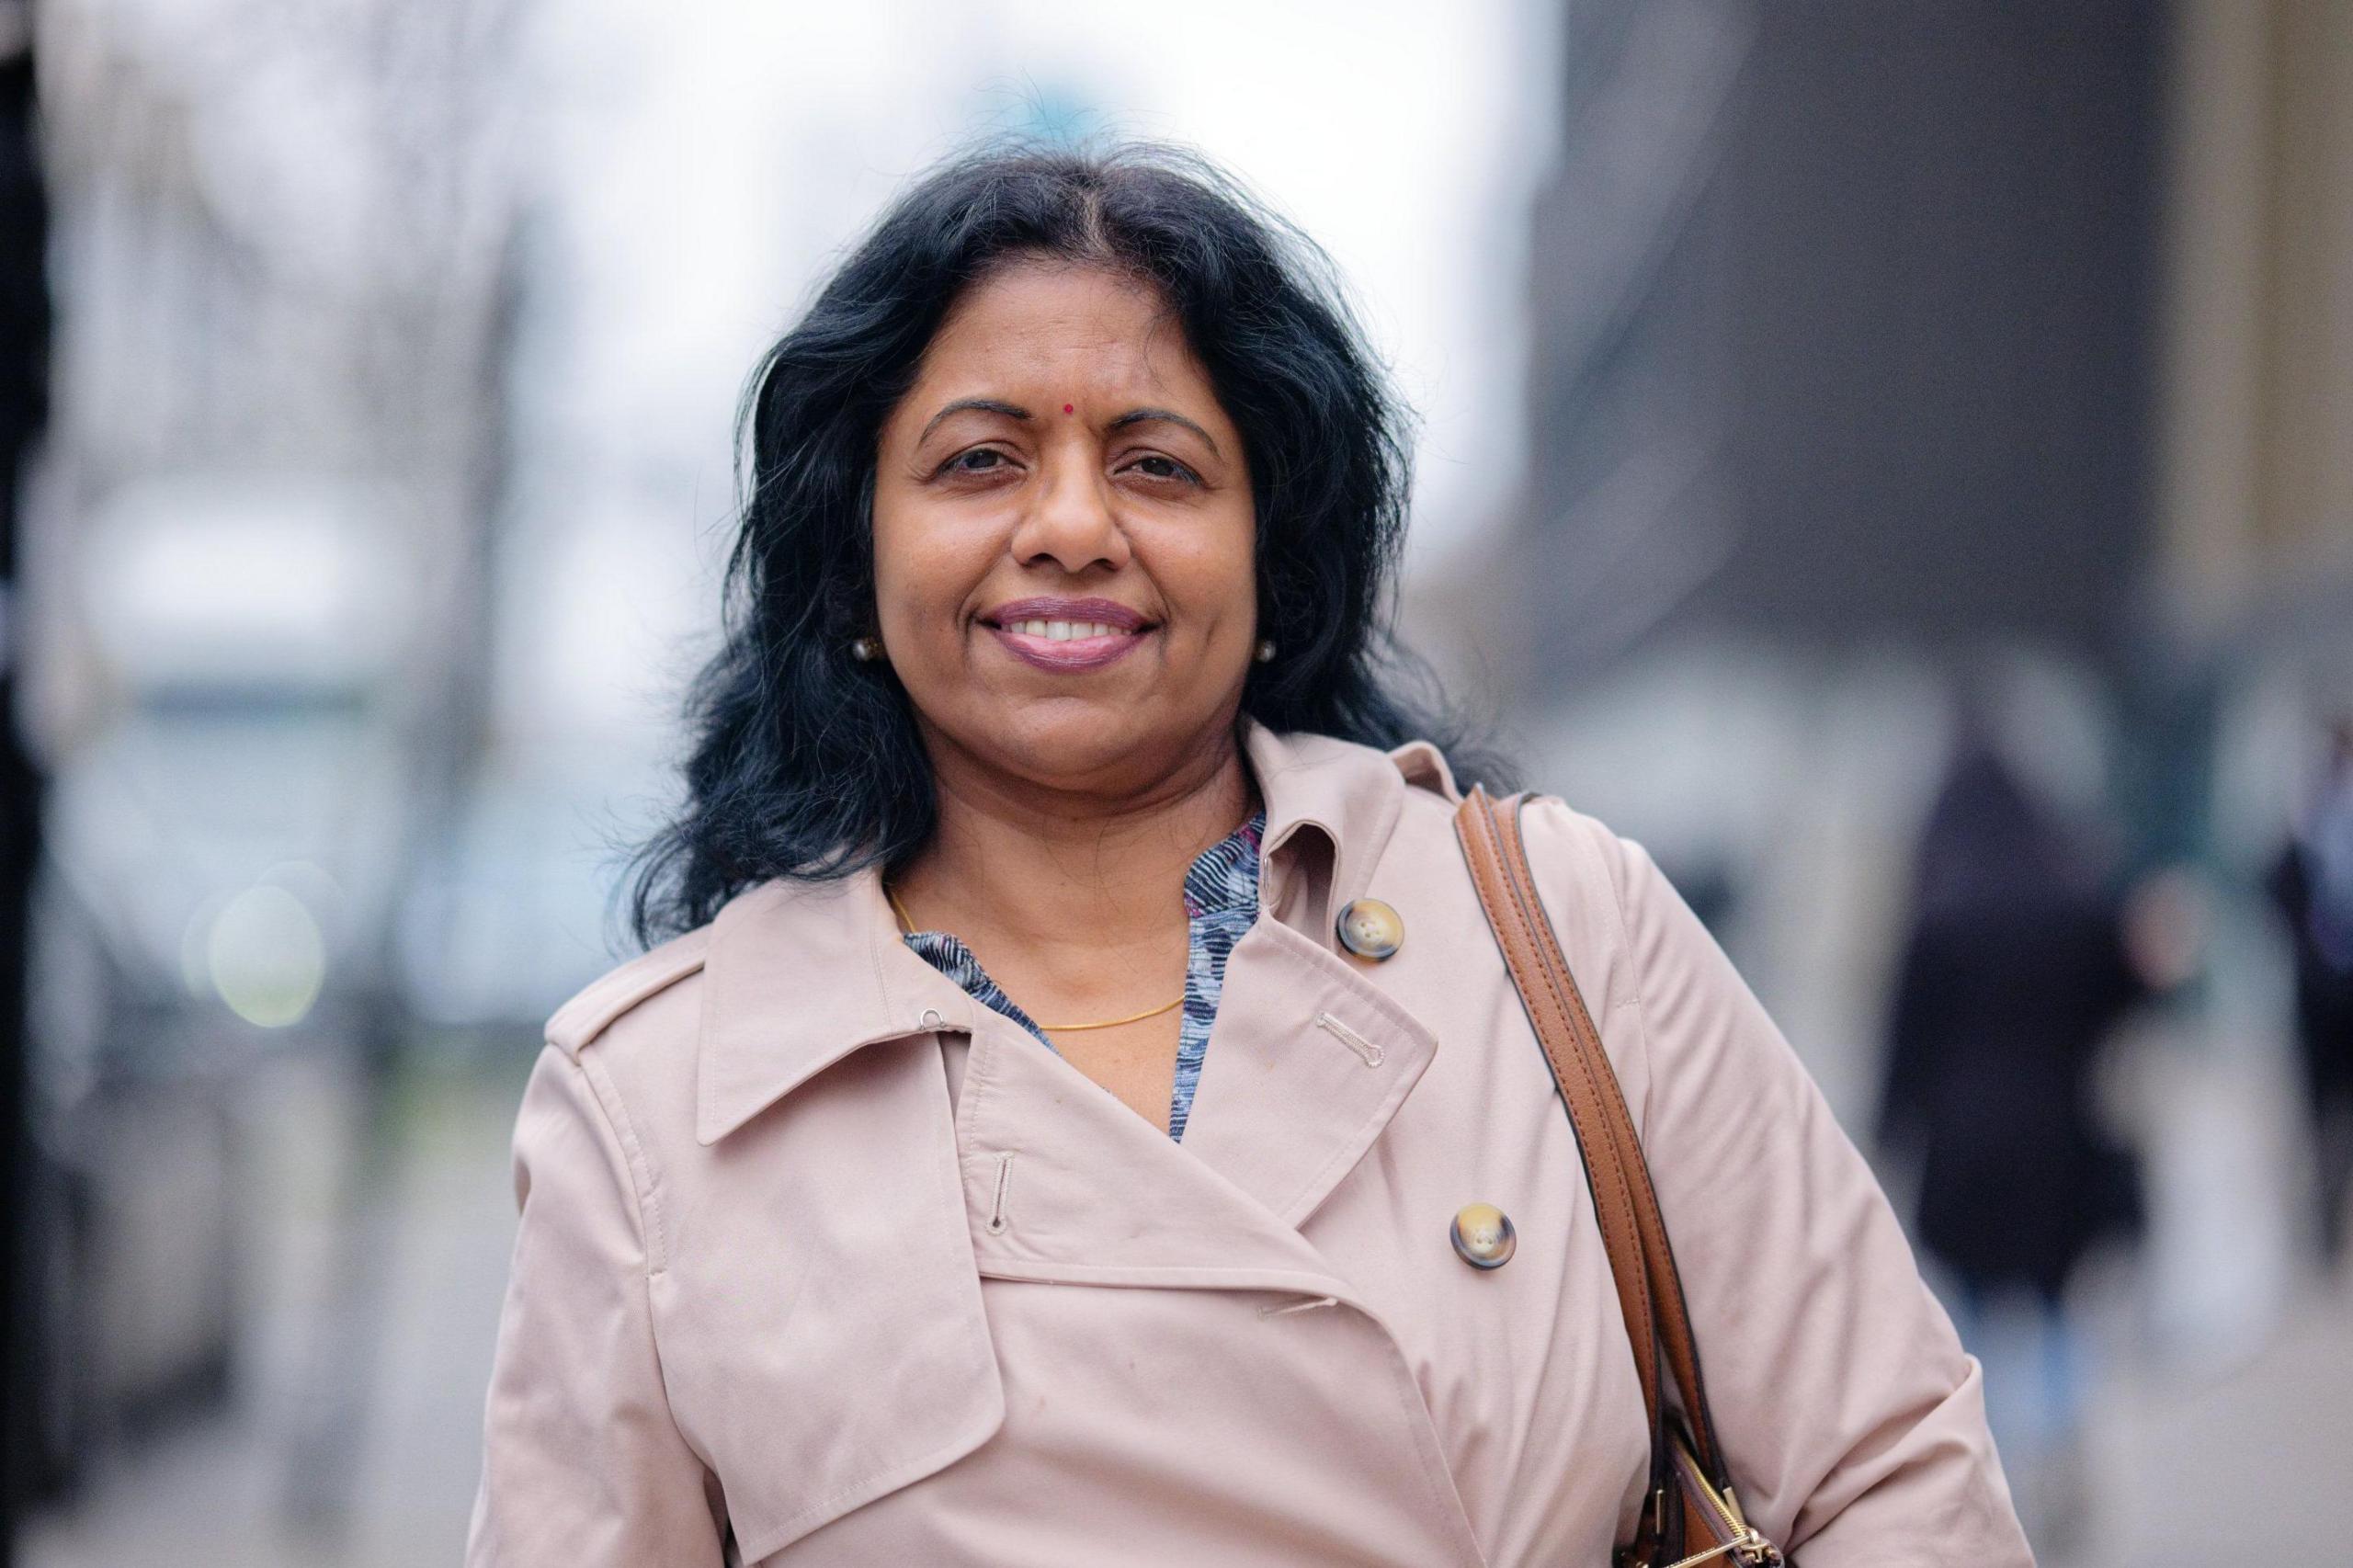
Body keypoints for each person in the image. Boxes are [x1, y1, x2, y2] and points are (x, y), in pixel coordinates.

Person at [466, 142, 2029, 1566]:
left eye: (1157, 464)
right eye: (979, 461)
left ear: (1275, 559)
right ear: (855, 567)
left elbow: (1896, 1469)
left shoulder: (1563, 929)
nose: (1073, 524)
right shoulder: (654, 1104)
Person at [2269, 720, 2353, 1270]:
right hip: (2321, 998)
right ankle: (2326, 1230)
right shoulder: (2306, 823)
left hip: (2322, 990)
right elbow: (2276, 885)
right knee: (2322, 1123)